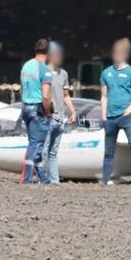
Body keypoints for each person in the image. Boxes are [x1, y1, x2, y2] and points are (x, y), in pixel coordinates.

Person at [99, 37, 131, 186]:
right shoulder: (106, 73)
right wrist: (103, 116)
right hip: (110, 118)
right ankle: (106, 178)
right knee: (109, 150)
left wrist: (129, 110)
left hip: (126, 117)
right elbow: (104, 96)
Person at [18, 38, 53, 184]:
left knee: (34, 142)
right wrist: (48, 111)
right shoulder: (45, 70)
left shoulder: (26, 66)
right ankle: (26, 179)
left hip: (26, 107)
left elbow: (21, 88)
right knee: (36, 144)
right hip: (37, 108)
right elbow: (45, 95)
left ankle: (44, 178)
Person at [43, 41, 77, 184]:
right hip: (48, 117)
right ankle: (44, 179)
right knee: (44, 151)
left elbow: (66, 95)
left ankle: (54, 181)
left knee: (53, 152)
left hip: (60, 119)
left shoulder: (64, 74)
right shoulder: (43, 72)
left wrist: (73, 112)